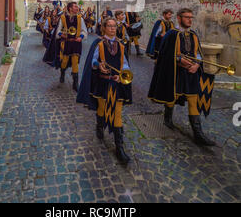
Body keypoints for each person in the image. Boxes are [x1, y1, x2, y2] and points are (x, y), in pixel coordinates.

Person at [148, 8, 216, 146]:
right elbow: (166, 55)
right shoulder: (171, 35)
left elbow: (197, 52)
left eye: (191, 17)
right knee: (171, 98)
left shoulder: (194, 35)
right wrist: (179, 60)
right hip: (175, 73)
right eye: (187, 17)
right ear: (179, 18)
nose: (190, 20)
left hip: (191, 73)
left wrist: (197, 64)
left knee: (193, 100)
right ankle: (167, 118)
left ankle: (198, 134)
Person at [77, 17, 132, 165]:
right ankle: (99, 126)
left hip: (117, 84)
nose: (113, 29)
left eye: (115, 26)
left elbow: (125, 64)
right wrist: (98, 65)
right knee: (102, 109)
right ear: (104, 28)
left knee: (117, 114)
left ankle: (119, 148)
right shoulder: (98, 44)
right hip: (102, 83)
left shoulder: (121, 45)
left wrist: (123, 75)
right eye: (110, 26)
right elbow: (93, 61)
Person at [56, 2, 88, 92]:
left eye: (77, 6)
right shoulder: (63, 18)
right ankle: (62, 73)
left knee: (75, 62)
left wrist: (81, 37)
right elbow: (58, 30)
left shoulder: (80, 19)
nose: (77, 7)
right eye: (75, 6)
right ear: (70, 8)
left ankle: (75, 83)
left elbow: (84, 31)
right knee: (64, 61)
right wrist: (61, 34)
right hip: (67, 43)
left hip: (76, 44)